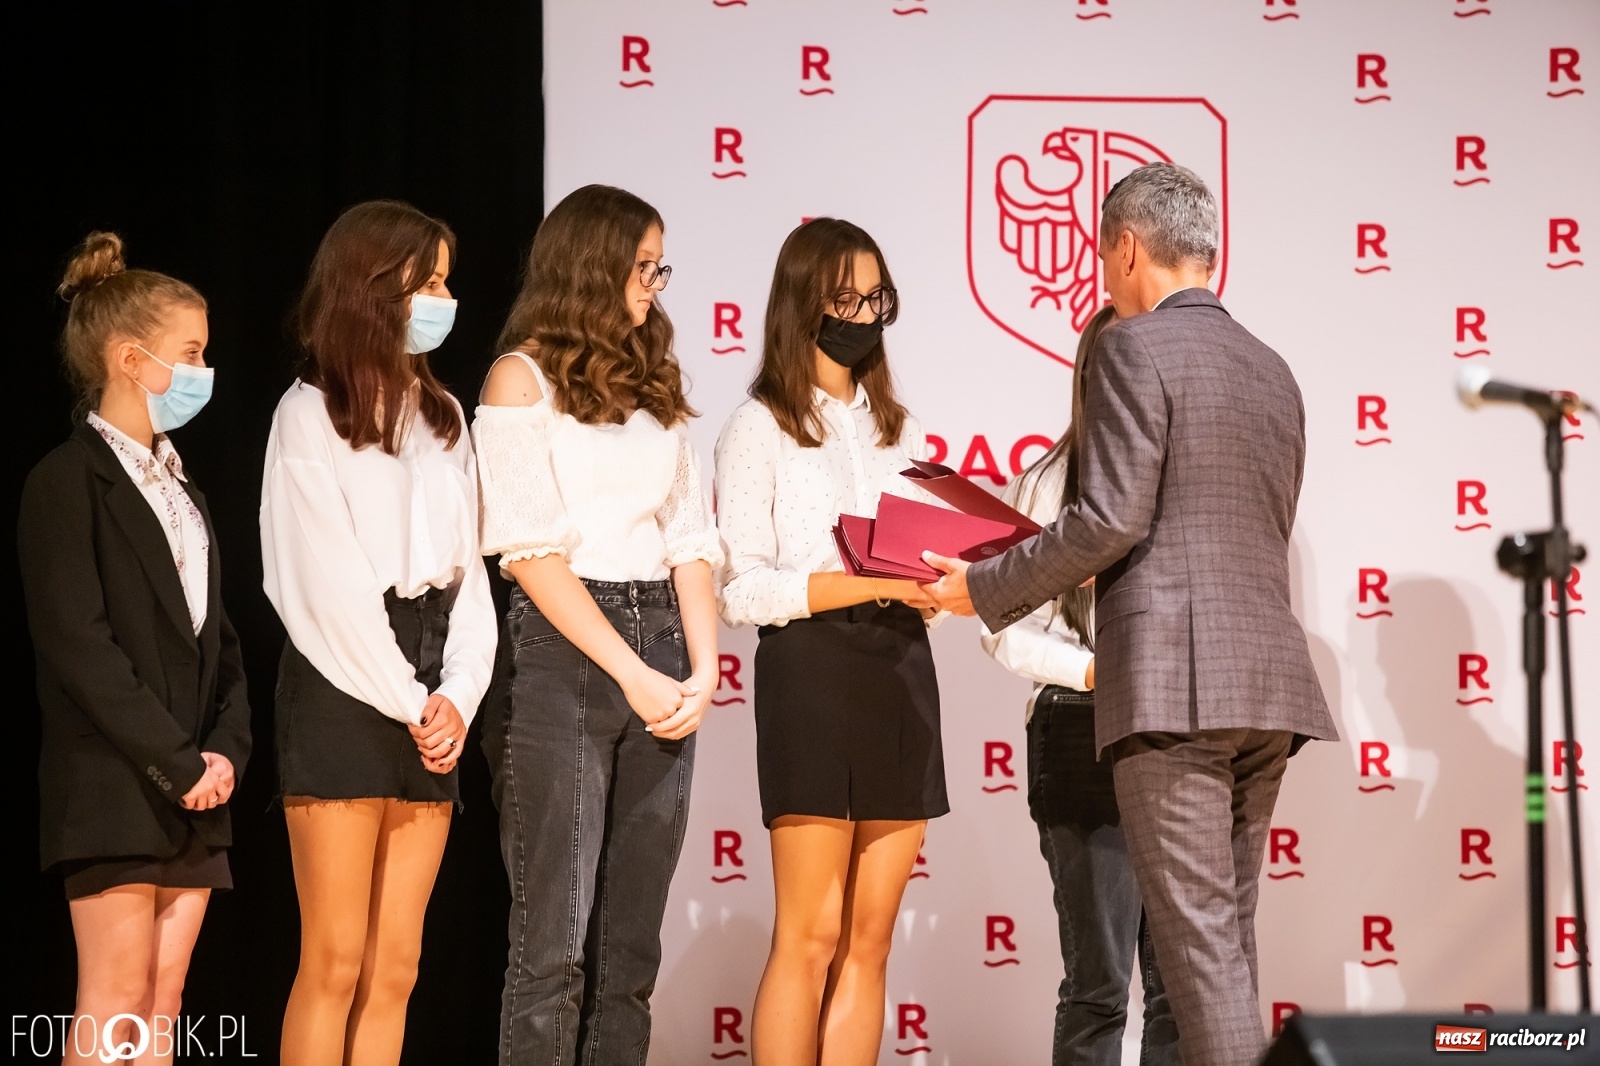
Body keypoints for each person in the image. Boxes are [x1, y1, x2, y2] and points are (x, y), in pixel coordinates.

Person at [923, 162, 1337, 1066]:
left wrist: (982, 587)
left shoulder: (1130, 345)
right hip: (1267, 689)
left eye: (1104, 256)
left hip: (1175, 693)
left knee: (1200, 960)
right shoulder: (1274, 369)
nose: (1104, 277)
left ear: (1128, 247)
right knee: (1226, 948)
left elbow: (1108, 518)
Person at [474, 184, 722, 1065]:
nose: (654, 283)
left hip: (662, 640)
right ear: (591, 265)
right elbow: (530, 552)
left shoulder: (653, 382)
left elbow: (691, 536)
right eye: (641, 265)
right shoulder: (520, 378)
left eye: (660, 266)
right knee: (554, 948)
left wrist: (704, 667)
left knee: (630, 955)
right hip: (568, 651)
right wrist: (633, 670)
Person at [261, 200, 497, 1066]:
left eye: (445, 280)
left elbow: (473, 574)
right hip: (346, 685)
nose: (441, 297)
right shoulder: (306, 415)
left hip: (433, 692)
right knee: (335, 959)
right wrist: (410, 699)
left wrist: (458, 696)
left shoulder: (445, 414)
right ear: (372, 288)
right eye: (425, 280)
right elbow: (320, 586)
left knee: (397, 965)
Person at [715, 218, 945, 1066]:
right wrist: (872, 583)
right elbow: (741, 588)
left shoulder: (899, 428)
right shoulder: (758, 426)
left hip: (900, 668)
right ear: (804, 302)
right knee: (808, 934)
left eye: (877, 296)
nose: (864, 313)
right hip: (810, 669)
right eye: (846, 296)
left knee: (870, 938)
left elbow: (916, 554)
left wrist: (938, 589)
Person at [19, 232, 251, 1066]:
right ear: (130, 358)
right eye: (190, 353)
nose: (201, 370)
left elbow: (219, 643)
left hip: (194, 787)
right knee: (114, 1003)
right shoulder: (65, 482)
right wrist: (176, 762)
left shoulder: (183, 486)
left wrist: (223, 752)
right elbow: (80, 648)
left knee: (162, 1005)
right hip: (119, 783)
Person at [979, 304, 1177, 1066]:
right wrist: (1093, 669)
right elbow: (1001, 626)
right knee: (1098, 982)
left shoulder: (1184, 478)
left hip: (1173, 733)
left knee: (1179, 986)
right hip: (1077, 730)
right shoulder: (1047, 483)